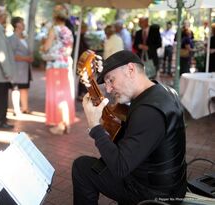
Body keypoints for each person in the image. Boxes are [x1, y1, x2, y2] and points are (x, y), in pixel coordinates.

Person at [72, 50, 187, 205]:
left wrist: (95, 126)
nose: (109, 89)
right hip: (172, 185)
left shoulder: (148, 112)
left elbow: (120, 167)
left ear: (131, 70)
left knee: (82, 168)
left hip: (154, 194)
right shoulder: (164, 91)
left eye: (111, 80)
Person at [41, 4, 75, 135]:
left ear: (55, 16)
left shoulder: (54, 30)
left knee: (56, 95)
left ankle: (60, 125)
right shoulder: (69, 31)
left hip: (54, 66)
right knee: (64, 94)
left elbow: (46, 47)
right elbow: (69, 51)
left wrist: (44, 45)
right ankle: (66, 122)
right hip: (65, 66)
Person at [8, 16, 33, 116]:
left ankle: (25, 107)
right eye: (22, 23)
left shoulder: (24, 38)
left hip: (25, 68)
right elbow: (12, 55)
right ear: (17, 25)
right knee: (16, 89)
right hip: (17, 68)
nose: (24, 25)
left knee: (24, 88)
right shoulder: (12, 38)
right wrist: (26, 58)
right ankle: (16, 109)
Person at [77, 22, 90, 101]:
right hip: (81, 59)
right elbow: (81, 49)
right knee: (83, 77)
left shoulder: (82, 37)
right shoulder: (80, 37)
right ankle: (81, 93)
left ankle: (81, 93)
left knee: (83, 77)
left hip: (82, 59)